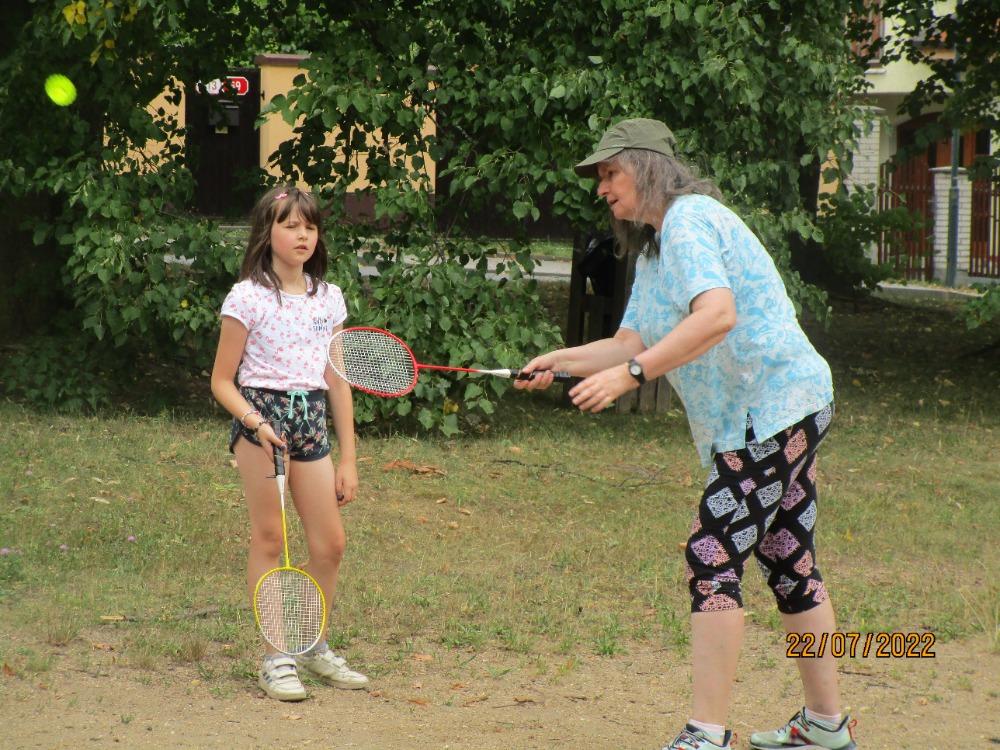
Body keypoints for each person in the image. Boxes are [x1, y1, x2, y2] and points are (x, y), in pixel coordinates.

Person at [515, 119, 856, 750]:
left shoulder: (690, 220)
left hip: (769, 408)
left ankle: (706, 735)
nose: (601, 189)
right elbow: (628, 342)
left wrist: (632, 376)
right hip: (782, 407)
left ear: (646, 167)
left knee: (712, 555)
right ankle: (826, 725)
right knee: (788, 561)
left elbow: (716, 315)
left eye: (609, 173)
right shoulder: (655, 248)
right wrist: (559, 360)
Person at [210, 185, 369, 701]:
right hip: (262, 422)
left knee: (331, 544)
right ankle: (276, 656)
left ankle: (312, 645)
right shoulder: (247, 296)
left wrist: (348, 458)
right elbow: (221, 381)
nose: (302, 235)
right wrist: (254, 422)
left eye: (310, 226)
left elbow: (338, 379)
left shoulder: (329, 297)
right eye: (290, 225)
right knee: (271, 542)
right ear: (268, 232)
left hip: (311, 420)